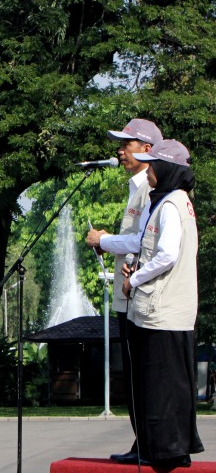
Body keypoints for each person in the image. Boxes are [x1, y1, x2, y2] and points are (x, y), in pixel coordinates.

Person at [87, 139, 203, 468]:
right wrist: (124, 255)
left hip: (162, 312)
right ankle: (174, 449)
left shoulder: (169, 205)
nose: (147, 171)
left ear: (166, 169)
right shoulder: (173, 201)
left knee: (161, 385)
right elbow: (144, 244)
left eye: (152, 166)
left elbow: (167, 254)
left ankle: (164, 453)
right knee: (173, 384)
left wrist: (134, 279)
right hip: (174, 311)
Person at [88, 118, 160, 463]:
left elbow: (143, 241)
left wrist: (105, 240)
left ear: (147, 150)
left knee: (140, 373)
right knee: (132, 373)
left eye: (127, 144)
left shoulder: (149, 187)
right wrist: (109, 245)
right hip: (127, 292)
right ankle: (141, 441)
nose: (119, 150)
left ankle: (148, 443)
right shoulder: (138, 187)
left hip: (138, 293)